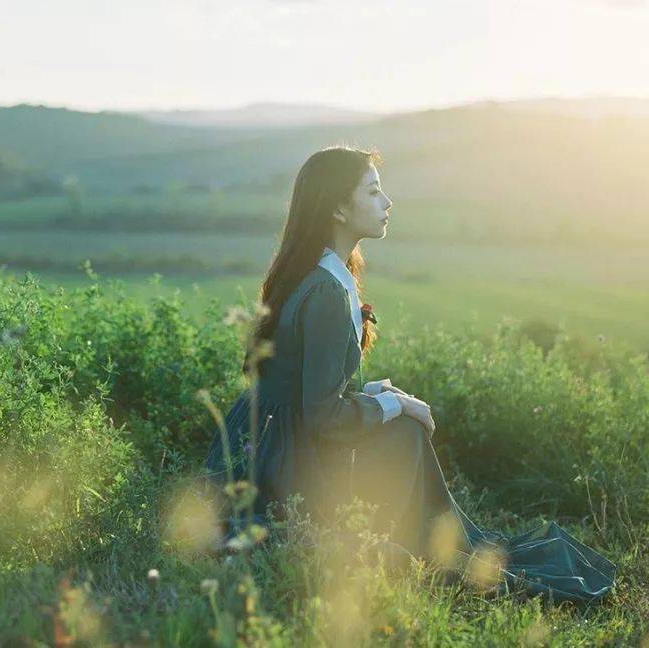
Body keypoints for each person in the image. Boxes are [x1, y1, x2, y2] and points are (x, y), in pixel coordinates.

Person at [201, 146, 615, 606]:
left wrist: (383, 393)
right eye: (373, 191)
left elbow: (311, 386)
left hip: (276, 433)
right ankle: (411, 543)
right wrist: (397, 405)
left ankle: (409, 536)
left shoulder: (328, 273)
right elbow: (320, 415)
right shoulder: (324, 291)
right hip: (286, 456)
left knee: (401, 425)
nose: (388, 202)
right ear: (338, 207)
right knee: (404, 434)